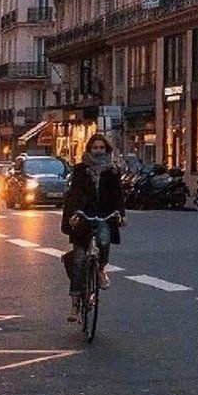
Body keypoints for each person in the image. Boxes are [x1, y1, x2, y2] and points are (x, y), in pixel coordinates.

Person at [61, 134, 126, 324]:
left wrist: (121, 214)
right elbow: (74, 194)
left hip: (104, 216)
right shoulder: (81, 169)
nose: (98, 151)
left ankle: (100, 269)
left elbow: (117, 194)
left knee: (104, 242)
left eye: (101, 148)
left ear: (107, 150)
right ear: (89, 149)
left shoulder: (112, 171)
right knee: (80, 261)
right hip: (83, 217)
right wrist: (73, 215)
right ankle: (75, 303)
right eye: (95, 148)